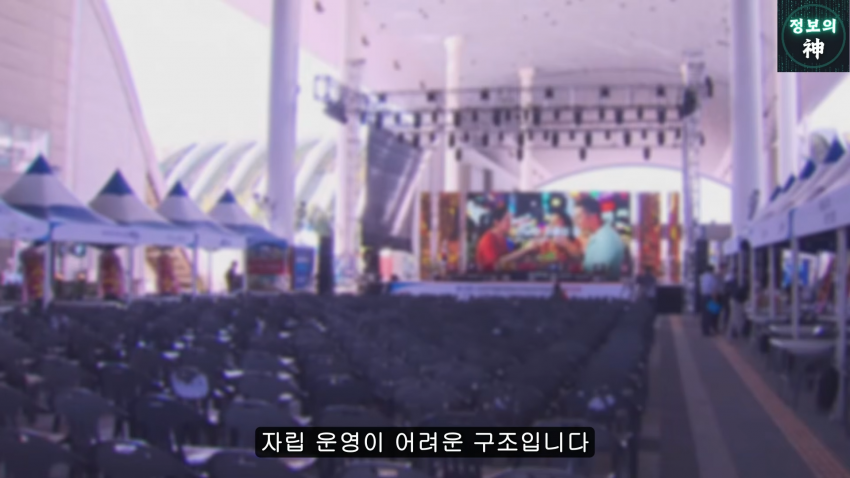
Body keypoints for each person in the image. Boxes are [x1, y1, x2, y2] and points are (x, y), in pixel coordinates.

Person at [475, 206, 539, 272]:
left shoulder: (502, 237)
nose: (510, 223)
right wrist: (526, 249)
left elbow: (508, 258)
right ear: (496, 223)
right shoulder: (488, 239)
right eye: (507, 220)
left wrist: (528, 253)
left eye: (510, 220)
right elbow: (498, 264)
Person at [573, 196, 624, 274]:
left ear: (594, 216)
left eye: (578, 217)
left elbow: (596, 274)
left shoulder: (606, 239)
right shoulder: (596, 235)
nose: (575, 221)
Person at [700, 265, 720, 335]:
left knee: (704, 314)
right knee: (710, 314)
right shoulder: (712, 278)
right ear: (712, 270)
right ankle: (709, 330)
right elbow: (714, 289)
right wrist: (715, 300)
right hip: (710, 297)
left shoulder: (703, 277)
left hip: (703, 296)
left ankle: (704, 330)